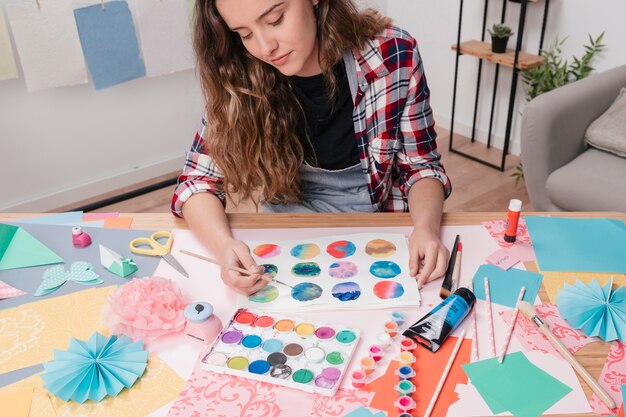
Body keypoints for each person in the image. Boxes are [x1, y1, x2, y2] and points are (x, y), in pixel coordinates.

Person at [172, 0, 452, 295]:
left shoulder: (392, 53)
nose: (266, 47)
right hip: (289, 234)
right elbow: (196, 181)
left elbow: (421, 167)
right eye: (245, 34)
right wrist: (223, 246)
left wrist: (426, 229)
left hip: (378, 228)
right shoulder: (240, 71)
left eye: (275, 19)